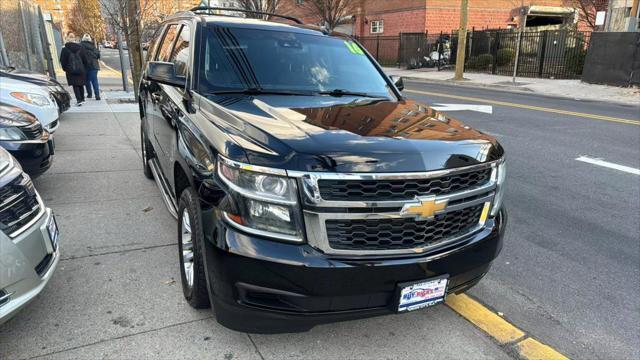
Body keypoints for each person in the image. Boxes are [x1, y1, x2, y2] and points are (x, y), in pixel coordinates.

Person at [60, 33, 89, 106]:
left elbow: (62, 61)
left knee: (75, 85)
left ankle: (79, 100)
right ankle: (82, 98)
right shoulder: (81, 48)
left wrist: (65, 69)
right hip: (81, 69)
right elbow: (85, 59)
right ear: (74, 39)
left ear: (67, 38)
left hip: (70, 70)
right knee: (81, 84)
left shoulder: (65, 49)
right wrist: (84, 68)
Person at [80, 34, 101, 100]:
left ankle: (89, 94)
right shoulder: (93, 46)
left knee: (86, 81)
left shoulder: (80, 46)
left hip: (85, 66)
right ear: (90, 39)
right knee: (94, 81)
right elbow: (98, 55)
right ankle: (97, 95)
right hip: (94, 66)